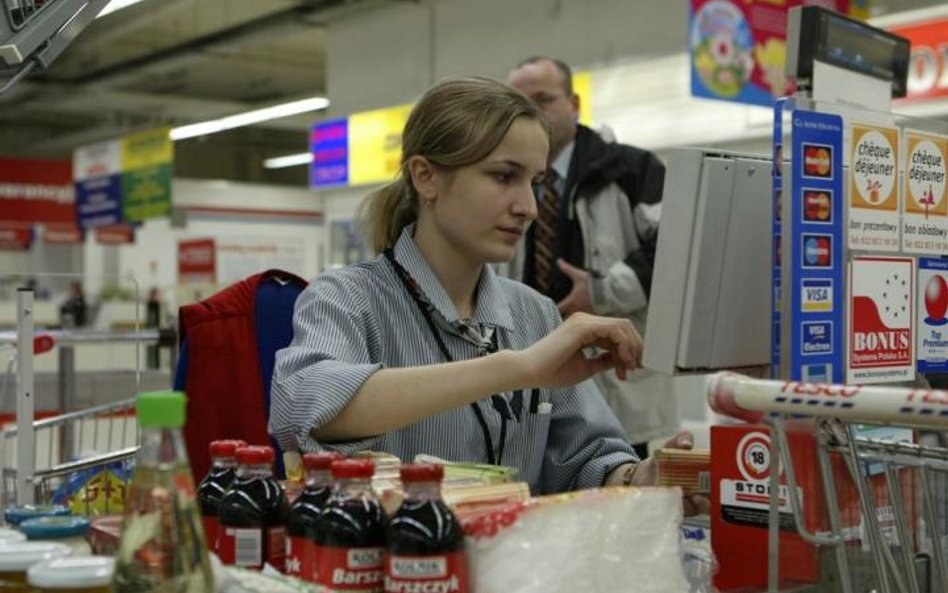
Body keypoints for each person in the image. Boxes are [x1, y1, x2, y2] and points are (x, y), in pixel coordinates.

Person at [270, 77, 703, 510]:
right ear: (426, 177)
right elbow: (306, 407)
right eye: (503, 176)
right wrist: (516, 369)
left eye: (535, 181)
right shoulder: (346, 297)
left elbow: (586, 460)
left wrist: (638, 477)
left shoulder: (534, 313)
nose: (529, 207)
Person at [507, 57, 677, 458]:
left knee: (615, 477)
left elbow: (675, 249)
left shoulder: (633, 169)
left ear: (575, 103)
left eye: (543, 99)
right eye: (518, 103)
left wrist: (601, 292)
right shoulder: (504, 178)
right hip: (531, 366)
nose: (532, 112)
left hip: (613, 371)